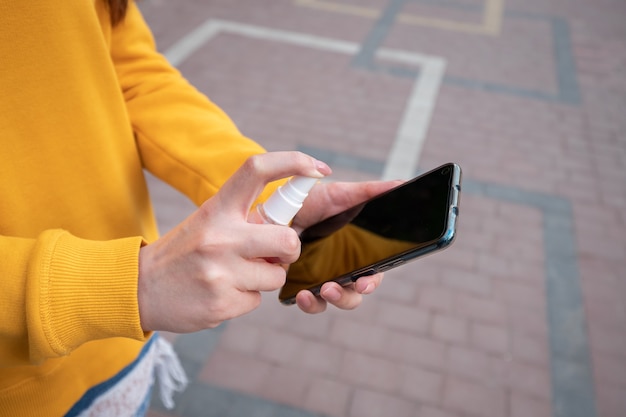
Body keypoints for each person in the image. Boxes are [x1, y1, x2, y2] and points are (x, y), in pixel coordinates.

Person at [0, 1, 395, 415]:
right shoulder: (141, 286)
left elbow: (130, 75)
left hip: (126, 344)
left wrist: (272, 197)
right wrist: (131, 285)